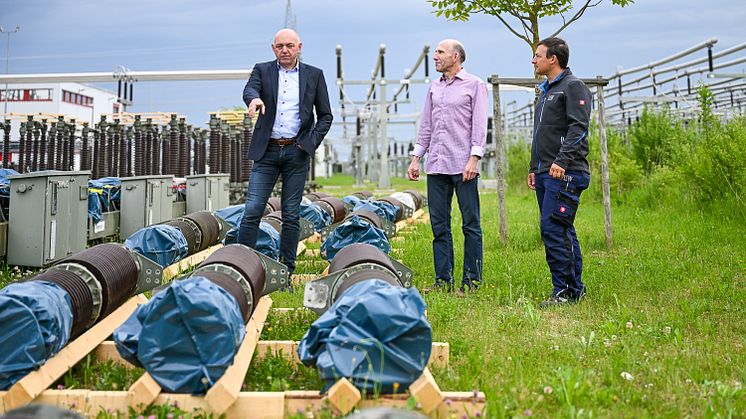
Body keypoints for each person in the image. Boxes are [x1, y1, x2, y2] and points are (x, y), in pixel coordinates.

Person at [237, 28, 333, 280]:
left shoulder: (314, 75)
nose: (285, 50)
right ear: (273, 49)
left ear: (299, 47)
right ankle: (242, 266)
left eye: (290, 45)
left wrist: (308, 143)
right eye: (280, 46)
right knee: (253, 209)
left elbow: (325, 115)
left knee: (291, 214)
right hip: (266, 150)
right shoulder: (262, 70)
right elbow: (250, 89)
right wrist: (254, 100)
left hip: (296, 152)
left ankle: (285, 271)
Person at [407, 39, 487, 296]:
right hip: (437, 165)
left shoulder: (475, 85)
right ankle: (443, 280)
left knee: (470, 224)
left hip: (463, 165)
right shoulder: (434, 88)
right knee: (439, 226)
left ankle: (471, 282)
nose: (436, 57)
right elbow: (427, 125)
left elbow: (479, 125)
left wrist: (474, 158)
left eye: (440, 52)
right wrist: (416, 158)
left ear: (456, 57)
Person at [527, 37, 592, 308]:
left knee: (553, 229)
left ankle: (563, 292)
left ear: (553, 58)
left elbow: (579, 128)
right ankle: (574, 288)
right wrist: (534, 167)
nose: (534, 60)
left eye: (538, 56)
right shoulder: (545, 91)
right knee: (562, 228)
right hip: (546, 172)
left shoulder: (573, 87)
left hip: (564, 171)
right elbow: (542, 135)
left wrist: (561, 162)